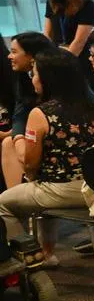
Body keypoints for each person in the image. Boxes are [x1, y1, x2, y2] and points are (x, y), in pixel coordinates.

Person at [0, 50, 94, 263]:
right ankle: (46, 252)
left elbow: (30, 163)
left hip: (61, 190)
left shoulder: (41, 114)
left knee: (3, 202)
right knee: (38, 193)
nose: (33, 79)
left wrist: (18, 140)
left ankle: (29, 256)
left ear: (48, 79)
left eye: (35, 74)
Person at [0, 32, 51, 190]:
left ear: (31, 56)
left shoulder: (60, 83)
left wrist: (17, 137)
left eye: (14, 52)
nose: (9, 56)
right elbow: (20, 113)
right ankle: (15, 198)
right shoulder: (22, 77)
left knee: (9, 143)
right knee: (9, 143)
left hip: (51, 139)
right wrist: (17, 136)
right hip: (30, 136)